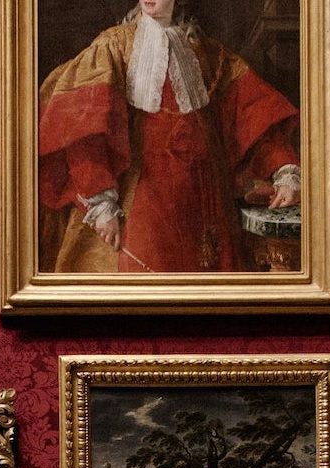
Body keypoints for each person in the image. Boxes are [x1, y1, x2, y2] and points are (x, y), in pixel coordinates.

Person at [37, 0, 301, 274]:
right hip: (141, 209)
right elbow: (84, 131)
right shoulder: (114, 46)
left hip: (206, 208)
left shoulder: (208, 54)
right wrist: (101, 204)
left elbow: (253, 116)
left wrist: (284, 170)